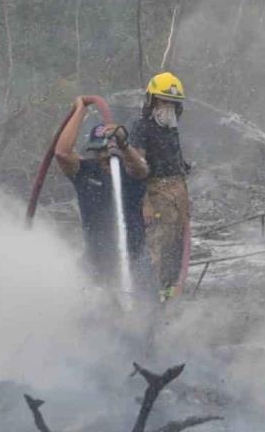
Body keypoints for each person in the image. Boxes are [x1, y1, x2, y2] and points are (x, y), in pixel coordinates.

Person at [54, 96, 149, 278]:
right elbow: (62, 153)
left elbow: (141, 168)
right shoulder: (86, 173)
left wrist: (124, 144)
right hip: (96, 259)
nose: (105, 155)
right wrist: (80, 110)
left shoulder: (130, 173)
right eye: (99, 151)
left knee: (146, 301)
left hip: (134, 258)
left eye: (109, 150)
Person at [129, 72, 190, 301]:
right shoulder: (142, 127)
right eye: (164, 101)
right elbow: (138, 167)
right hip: (155, 191)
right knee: (158, 240)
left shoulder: (170, 128)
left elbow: (171, 155)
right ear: (152, 101)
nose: (169, 107)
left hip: (177, 188)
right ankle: (150, 293)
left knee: (176, 239)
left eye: (173, 103)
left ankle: (170, 287)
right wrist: (145, 201)